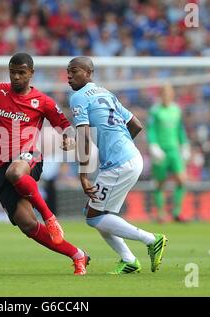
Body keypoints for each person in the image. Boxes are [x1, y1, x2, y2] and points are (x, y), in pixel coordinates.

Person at [0, 52, 90, 275]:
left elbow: (65, 126)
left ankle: (50, 217)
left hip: (30, 157)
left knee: (15, 172)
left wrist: (69, 137)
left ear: (31, 74)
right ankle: (78, 255)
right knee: (27, 224)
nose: (16, 77)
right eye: (13, 72)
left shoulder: (43, 101)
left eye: (21, 73)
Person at [66, 56, 167, 275]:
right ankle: (129, 260)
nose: (69, 75)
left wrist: (83, 175)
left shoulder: (78, 97)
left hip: (119, 164)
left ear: (89, 73)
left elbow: (83, 134)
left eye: (74, 71)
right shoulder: (106, 93)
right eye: (68, 72)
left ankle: (152, 240)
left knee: (94, 217)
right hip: (131, 157)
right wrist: (119, 145)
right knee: (97, 213)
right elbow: (136, 125)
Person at [147, 83, 190, 222]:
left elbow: (180, 129)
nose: (166, 96)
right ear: (160, 95)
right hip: (160, 150)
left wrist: (184, 144)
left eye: (168, 93)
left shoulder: (176, 110)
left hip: (174, 150)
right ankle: (160, 214)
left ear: (172, 95)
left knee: (182, 180)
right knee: (160, 183)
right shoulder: (155, 111)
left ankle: (177, 212)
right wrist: (153, 145)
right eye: (164, 93)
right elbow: (151, 129)